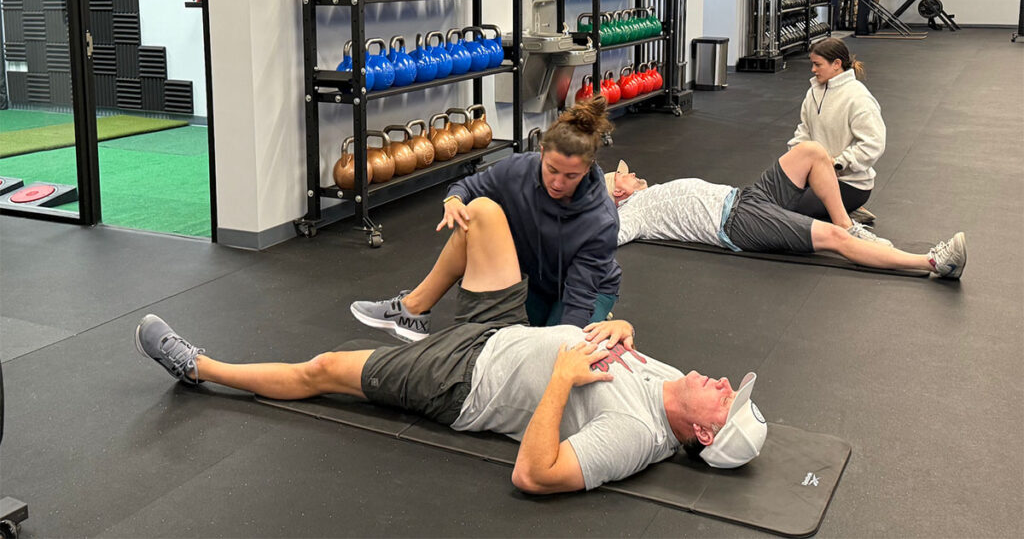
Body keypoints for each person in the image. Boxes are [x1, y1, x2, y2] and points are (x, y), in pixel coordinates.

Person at [135, 197, 767, 494]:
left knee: (324, 368)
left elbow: (534, 474)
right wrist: (623, 331)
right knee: (484, 213)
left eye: (725, 401)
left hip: (463, 379)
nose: (720, 384)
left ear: (705, 436)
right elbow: (618, 344)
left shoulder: (635, 437)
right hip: (506, 327)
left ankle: (200, 367)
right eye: (730, 387)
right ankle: (411, 310)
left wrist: (565, 376)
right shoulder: (675, 383)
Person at [350, 97, 621, 341]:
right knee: (477, 209)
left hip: (587, 293)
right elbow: (469, 187)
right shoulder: (519, 169)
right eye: (552, 170)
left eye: (570, 176)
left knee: (553, 352)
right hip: (536, 281)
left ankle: (604, 321)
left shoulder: (601, 220)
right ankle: (413, 309)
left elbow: (580, 298)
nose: (558, 182)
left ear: (588, 169)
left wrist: (564, 343)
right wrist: (453, 200)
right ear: (540, 153)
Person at [607, 141, 966, 279]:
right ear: (618, 195)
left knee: (811, 151)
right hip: (737, 223)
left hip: (746, 197)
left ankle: (850, 224)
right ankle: (932, 262)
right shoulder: (633, 213)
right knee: (832, 238)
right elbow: (603, 238)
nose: (632, 173)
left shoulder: (650, 191)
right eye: (622, 177)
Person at [788, 38, 884, 224]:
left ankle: (845, 211)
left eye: (817, 64)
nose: (813, 70)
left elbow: (873, 144)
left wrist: (838, 163)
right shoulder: (813, 92)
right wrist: (795, 159)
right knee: (776, 201)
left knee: (794, 212)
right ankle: (841, 212)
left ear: (837, 64)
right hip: (815, 176)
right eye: (812, 64)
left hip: (849, 183)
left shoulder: (858, 97)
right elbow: (804, 130)